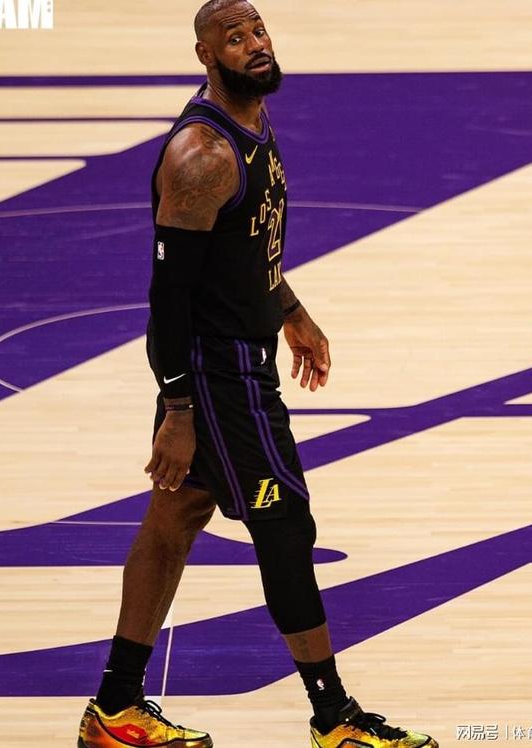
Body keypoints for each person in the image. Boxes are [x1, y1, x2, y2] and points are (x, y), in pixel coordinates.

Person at [77, 1, 439, 746]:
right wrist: (178, 411)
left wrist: (291, 309)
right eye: (234, 38)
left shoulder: (252, 123)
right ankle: (334, 718)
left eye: (258, 31)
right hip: (218, 377)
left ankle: (114, 708)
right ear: (206, 56)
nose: (254, 45)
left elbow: (244, 252)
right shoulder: (203, 158)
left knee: (175, 519)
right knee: (285, 527)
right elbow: (169, 300)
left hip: (240, 359)